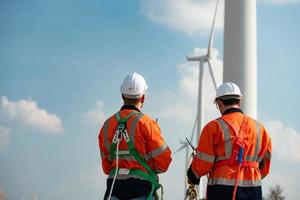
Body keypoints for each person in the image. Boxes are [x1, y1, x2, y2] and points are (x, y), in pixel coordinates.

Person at [187, 82, 272, 200]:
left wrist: (192, 175)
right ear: (239, 102)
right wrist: (250, 174)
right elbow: (265, 166)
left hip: (221, 191)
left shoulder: (213, 127)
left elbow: (203, 163)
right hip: (253, 190)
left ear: (219, 103)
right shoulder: (260, 129)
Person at [98, 72, 172, 200]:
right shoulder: (147, 123)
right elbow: (163, 162)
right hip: (141, 190)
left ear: (122, 96)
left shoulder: (107, 125)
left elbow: (106, 166)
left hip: (113, 190)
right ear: (143, 98)